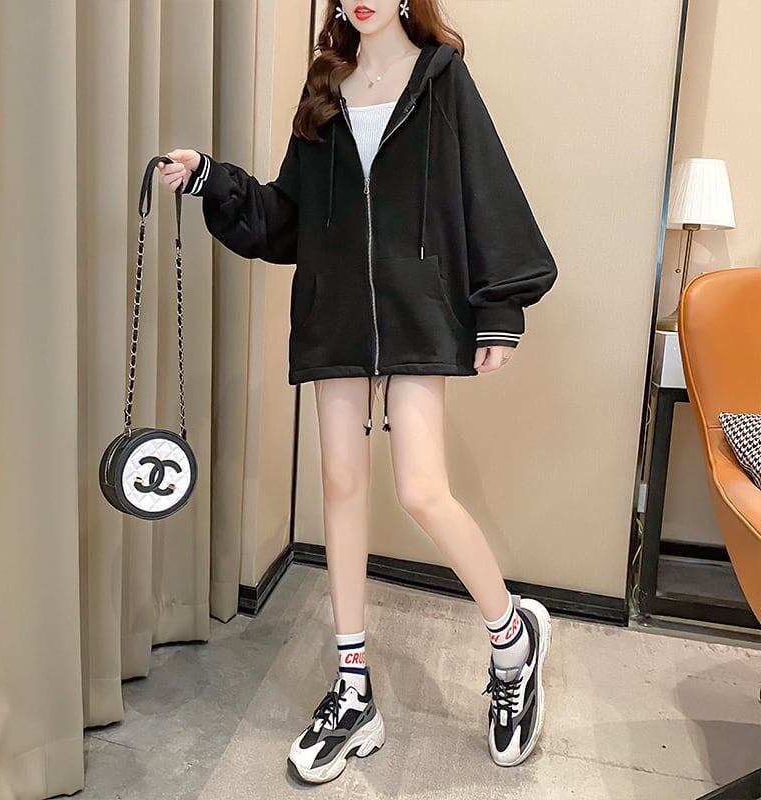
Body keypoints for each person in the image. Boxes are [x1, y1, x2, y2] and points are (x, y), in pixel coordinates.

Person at [159, 0, 557, 785]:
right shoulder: (326, 84)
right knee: (340, 488)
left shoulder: (441, 78)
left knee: (421, 491)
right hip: (336, 311)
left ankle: (514, 639)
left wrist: (500, 308)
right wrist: (213, 179)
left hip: (417, 308)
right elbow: (289, 217)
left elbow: (487, 188)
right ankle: (353, 693)